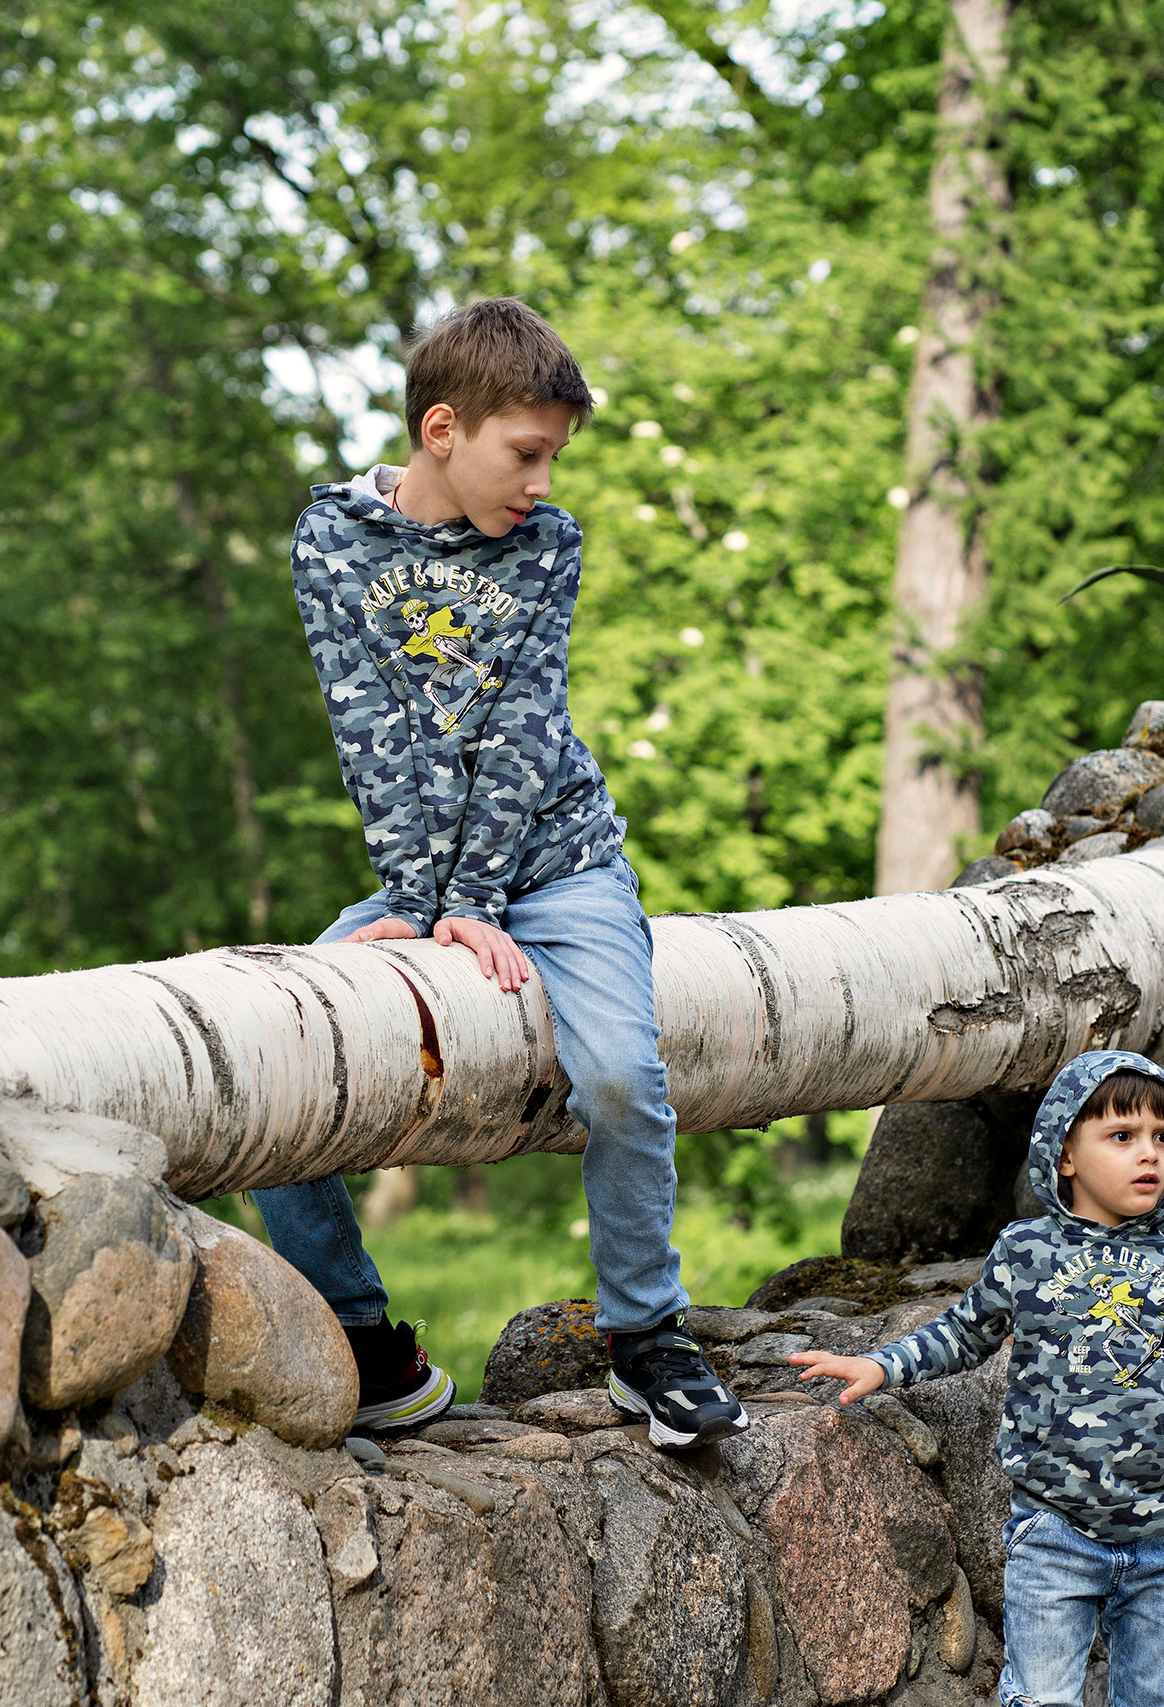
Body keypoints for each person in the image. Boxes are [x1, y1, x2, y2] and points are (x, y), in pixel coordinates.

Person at [258, 297, 747, 1450]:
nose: (540, 481)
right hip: (421, 878)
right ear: (442, 429)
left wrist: (472, 907)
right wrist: (428, 911)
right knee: (285, 1046)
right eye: (524, 454)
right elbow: (369, 732)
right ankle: (360, 1337)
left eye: (552, 458)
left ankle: (646, 1340)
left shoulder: (547, 545)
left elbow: (523, 735)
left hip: (562, 865)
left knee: (624, 1078)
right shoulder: (331, 539)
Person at [787, 1050, 1164, 1707]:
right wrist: (883, 1362)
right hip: (1055, 1536)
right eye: (1122, 1136)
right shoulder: (1027, 1254)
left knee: (1156, 1697)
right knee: (1039, 1698)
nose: (1149, 1153)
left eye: (1163, 1136)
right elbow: (963, 1333)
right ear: (1065, 1153)